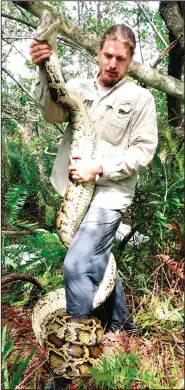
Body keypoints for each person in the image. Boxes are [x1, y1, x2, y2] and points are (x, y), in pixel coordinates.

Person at [30, 24, 158, 334]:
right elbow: (52, 114)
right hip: (73, 192)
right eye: (108, 55)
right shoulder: (77, 87)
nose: (113, 64)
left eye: (121, 59)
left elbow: (143, 152)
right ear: (98, 53)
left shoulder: (140, 99)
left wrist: (98, 167)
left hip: (109, 195)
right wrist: (43, 71)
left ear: (130, 60)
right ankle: (123, 325)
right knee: (97, 260)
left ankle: (77, 347)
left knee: (77, 264)